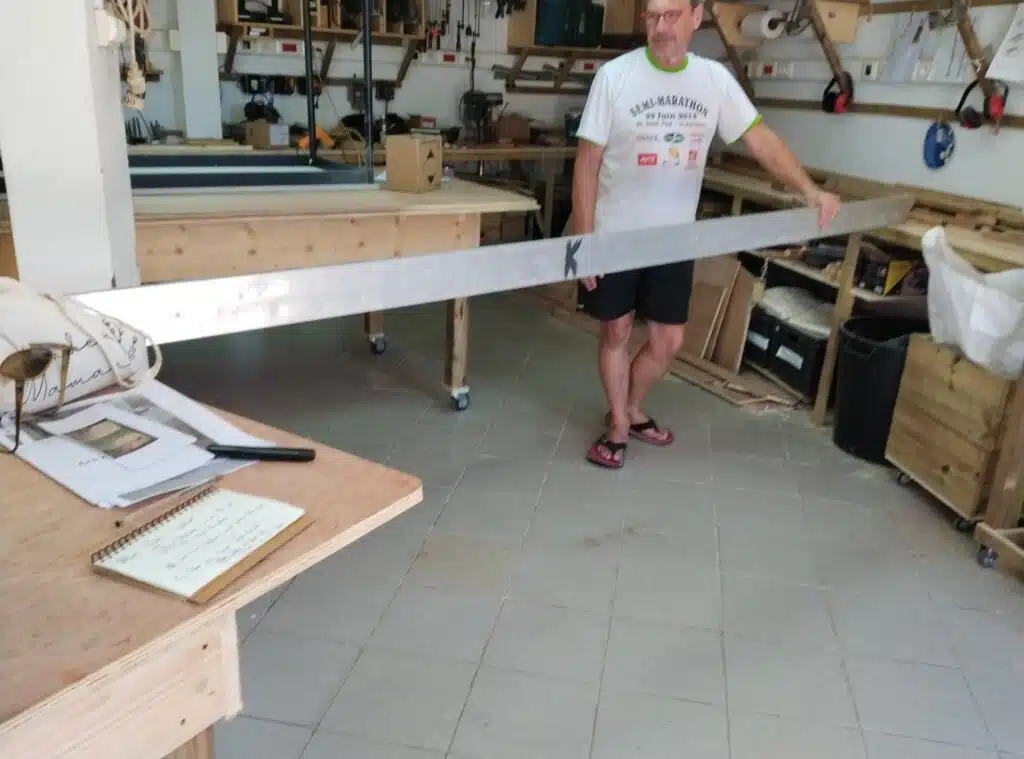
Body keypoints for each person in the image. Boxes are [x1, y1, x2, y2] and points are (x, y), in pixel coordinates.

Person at [572, 0, 841, 469]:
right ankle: (618, 424)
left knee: (669, 341)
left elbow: (760, 140)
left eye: (672, 15)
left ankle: (631, 406)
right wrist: (584, 241)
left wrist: (809, 191)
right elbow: (586, 162)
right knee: (616, 330)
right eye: (653, 16)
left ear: (696, 17)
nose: (661, 27)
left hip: (675, 239)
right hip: (615, 236)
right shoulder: (614, 77)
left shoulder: (713, 80)